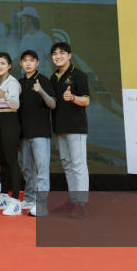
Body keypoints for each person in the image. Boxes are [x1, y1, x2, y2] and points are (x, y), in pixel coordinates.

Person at [49, 42, 90, 219]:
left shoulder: (79, 75)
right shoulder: (53, 78)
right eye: (54, 54)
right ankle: (73, 200)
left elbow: (86, 101)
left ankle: (81, 203)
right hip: (60, 127)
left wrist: (72, 97)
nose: (58, 56)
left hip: (76, 127)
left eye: (62, 53)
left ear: (69, 55)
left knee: (78, 164)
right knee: (67, 164)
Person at [18, 50, 56, 218]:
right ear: (21, 63)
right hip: (23, 133)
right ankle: (29, 199)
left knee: (41, 170)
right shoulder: (18, 83)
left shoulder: (44, 80)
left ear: (37, 63)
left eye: (31, 60)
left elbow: (53, 104)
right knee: (27, 169)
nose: (28, 63)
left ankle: (41, 204)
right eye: (25, 61)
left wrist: (40, 91)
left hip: (40, 133)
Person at [0, 52, 23, 216]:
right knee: (2, 161)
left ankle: (16, 201)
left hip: (10, 121)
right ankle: (4, 196)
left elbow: (16, 105)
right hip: (0, 122)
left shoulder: (12, 82)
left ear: (9, 65)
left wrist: (4, 95)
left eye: (2, 63)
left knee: (11, 161)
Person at [16, 6, 53, 77]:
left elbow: (51, 62)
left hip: (38, 79)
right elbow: (18, 59)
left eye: (23, 18)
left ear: (29, 19)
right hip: (25, 78)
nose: (21, 21)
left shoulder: (44, 38)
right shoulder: (25, 38)